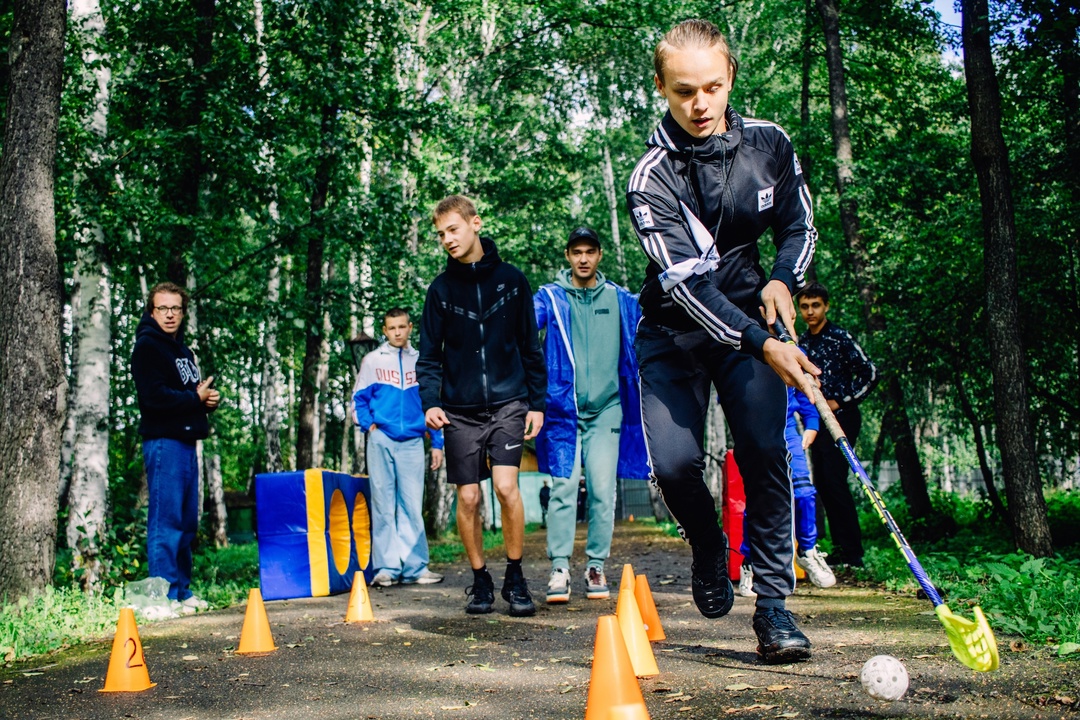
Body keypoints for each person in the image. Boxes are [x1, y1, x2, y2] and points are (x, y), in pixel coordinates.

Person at [625, 19, 819, 663]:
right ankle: (709, 543)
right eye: (683, 91)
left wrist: (783, 280)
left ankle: (773, 609)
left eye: (712, 87)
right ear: (661, 87)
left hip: (752, 322)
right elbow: (685, 287)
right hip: (674, 332)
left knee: (764, 452)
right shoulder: (651, 178)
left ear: (730, 76)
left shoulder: (769, 144)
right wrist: (763, 346)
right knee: (676, 465)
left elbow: (798, 223)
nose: (700, 104)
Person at [417, 194, 547, 617]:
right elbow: (429, 357)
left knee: (507, 488)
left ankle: (515, 575)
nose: (447, 240)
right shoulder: (439, 290)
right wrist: (430, 402)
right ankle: (479, 579)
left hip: (510, 403)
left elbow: (531, 345)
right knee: (469, 498)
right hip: (459, 411)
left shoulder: (512, 280)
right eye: (440, 235)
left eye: (453, 229)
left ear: (475, 223)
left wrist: (537, 403)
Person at [533, 226, 650, 603]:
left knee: (602, 490)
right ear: (568, 256)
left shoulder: (619, 299)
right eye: (576, 252)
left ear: (599, 255)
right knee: (564, 489)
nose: (583, 258)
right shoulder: (550, 298)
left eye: (590, 252)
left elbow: (654, 323)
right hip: (563, 411)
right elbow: (520, 326)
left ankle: (596, 564)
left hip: (607, 409)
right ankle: (559, 567)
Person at [131, 281, 219, 613]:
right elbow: (153, 398)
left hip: (186, 441)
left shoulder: (181, 351)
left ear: (183, 312)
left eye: (176, 309)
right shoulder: (148, 348)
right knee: (165, 522)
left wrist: (205, 401)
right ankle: (161, 596)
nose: (170, 314)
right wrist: (193, 398)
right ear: (151, 312)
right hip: (164, 443)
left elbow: (184, 396)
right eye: (162, 308)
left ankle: (181, 592)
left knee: (185, 523)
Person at [353, 308, 445, 587]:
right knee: (382, 504)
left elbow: (434, 402)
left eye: (402, 327)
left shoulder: (422, 360)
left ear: (410, 328)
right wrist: (369, 425)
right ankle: (386, 568)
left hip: (414, 442)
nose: (397, 332)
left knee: (411, 505)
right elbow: (359, 398)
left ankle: (416, 567)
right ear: (384, 330)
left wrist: (437, 443)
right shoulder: (372, 361)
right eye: (391, 328)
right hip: (382, 437)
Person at [797, 282, 878, 567]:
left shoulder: (840, 337)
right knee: (823, 483)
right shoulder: (800, 344)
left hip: (842, 419)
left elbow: (869, 373)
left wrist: (840, 401)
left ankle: (853, 552)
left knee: (834, 480)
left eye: (815, 305)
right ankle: (841, 549)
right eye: (804, 306)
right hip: (816, 423)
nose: (810, 312)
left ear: (826, 306)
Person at [738, 376, 836, 596]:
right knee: (760, 500)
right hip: (756, 431)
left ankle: (807, 550)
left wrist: (812, 424)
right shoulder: (742, 348)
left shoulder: (791, 347)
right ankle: (750, 563)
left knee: (804, 493)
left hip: (788, 430)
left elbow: (804, 393)